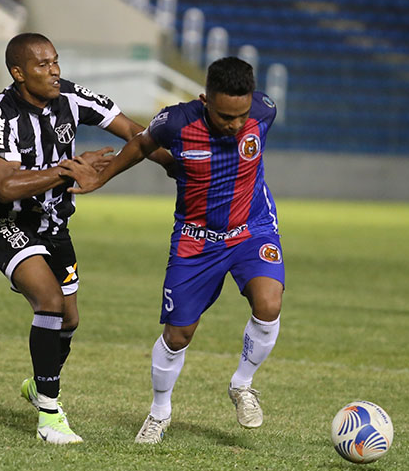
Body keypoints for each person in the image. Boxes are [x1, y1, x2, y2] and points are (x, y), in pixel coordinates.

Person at [61, 57, 284, 444]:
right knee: (179, 335)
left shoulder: (264, 112)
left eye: (241, 116)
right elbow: (142, 143)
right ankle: (160, 412)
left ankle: (242, 385)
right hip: (195, 240)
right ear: (204, 100)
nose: (235, 125)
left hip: (252, 228)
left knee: (269, 305)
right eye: (225, 117)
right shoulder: (176, 122)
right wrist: (101, 177)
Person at [0, 32, 174, 445]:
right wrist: (67, 171)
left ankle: (38, 385)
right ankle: (49, 415)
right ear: (18, 73)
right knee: (48, 301)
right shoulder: (1, 112)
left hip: (54, 222)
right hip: (5, 220)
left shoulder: (70, 97)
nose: (55, 71)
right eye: (43, 65)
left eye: (56, 61)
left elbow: (134, 131)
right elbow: (5, 187)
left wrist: (172, 164)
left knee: (69, 318)